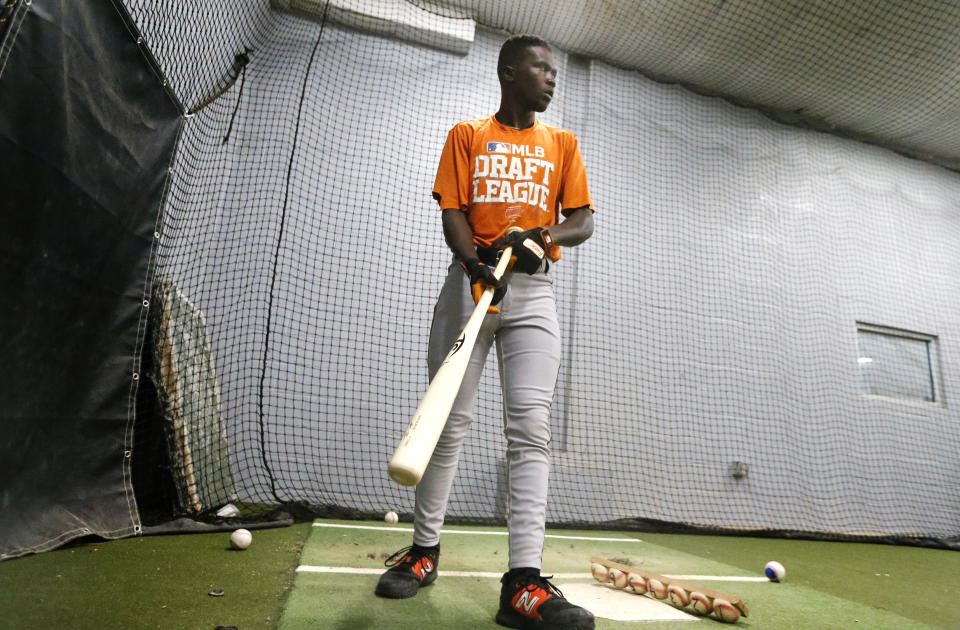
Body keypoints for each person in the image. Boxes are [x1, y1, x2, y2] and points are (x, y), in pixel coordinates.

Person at [376, 33, 596, 630]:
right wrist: (474, 263)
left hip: (533, 295)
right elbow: (453, 209)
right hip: (470, 287)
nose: (552, 78)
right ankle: (423, 553)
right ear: (508, 72)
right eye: (541, 67)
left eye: (554, 70)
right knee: (449, 420)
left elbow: (581, 220)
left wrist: (544, 238)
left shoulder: (563, 144)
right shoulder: (467, 135)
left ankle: (523, 582)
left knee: (531, 429)